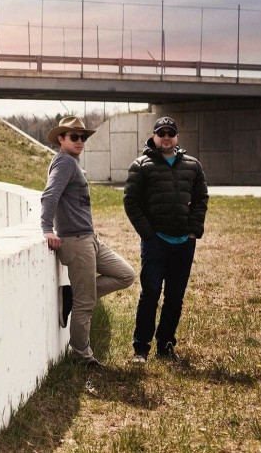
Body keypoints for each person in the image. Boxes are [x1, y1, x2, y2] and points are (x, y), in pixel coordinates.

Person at [41, 116, 135, 368]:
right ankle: (82, 356)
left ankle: (73, 293)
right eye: (74, 136)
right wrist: (46, 229)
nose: (80, 141)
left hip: (89, 238)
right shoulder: (64, 162)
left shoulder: (71, 163)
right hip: (75, 241)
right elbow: (50, 195)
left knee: (125, 275)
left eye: (83, 137)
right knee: (85, 305)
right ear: (61, 139)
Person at [123, 116, 209, 363]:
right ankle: (141, 348)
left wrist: (194, 231)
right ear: (154, 136)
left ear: (177, 138)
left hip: (184, 242)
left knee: (175, 296)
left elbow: (201, 198)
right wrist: (148, 234)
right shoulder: (140, 165)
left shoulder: (193, 165)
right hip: (155, 242)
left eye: (171, 133)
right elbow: (131, 202)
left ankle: (166, 346)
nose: (166, 137)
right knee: (150, 293)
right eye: (162, 133)